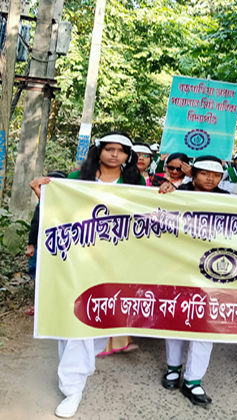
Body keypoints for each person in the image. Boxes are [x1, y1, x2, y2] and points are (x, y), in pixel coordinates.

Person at [30, 132, 143, 418]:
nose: (114, 154)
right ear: (99, 151)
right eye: (109, 149)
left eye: (121, 150)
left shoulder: (135, 183)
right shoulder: (76, 178)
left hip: (116, 264)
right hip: (77, 261)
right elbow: (57, 212)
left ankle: (78, 369)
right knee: (76, 322)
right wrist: (43, 195)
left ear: (128, 156)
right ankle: (73, 388)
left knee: (99, 325)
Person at [159, 155, 227, 406]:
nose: (210, 179)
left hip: (213, 269)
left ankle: (193, 380)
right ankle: (173, 368)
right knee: (176, 317)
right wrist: (165, 190)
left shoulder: (229, 199)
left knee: (206, 323)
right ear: (193, 174)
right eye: (205, 173)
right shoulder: (176, 193)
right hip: (178, 266)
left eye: (216, 175)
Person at [24, 171, 68, 316]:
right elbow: (36, 223)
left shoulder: (65, 202)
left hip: (58, 245)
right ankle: (39, 305)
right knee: (40, 274)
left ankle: (48, 305)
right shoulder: (44, 201)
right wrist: (31, 245)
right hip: (44, 244)